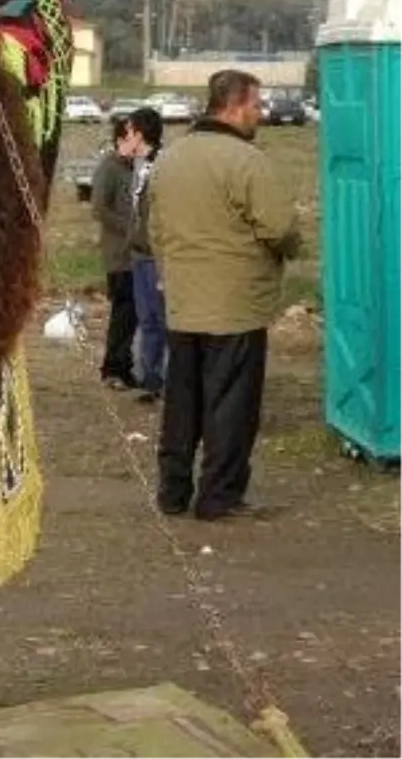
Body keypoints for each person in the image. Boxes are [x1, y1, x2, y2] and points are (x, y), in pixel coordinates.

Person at [149, 69, 300, 522]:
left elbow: (154, 229)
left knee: (182, 403)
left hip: (183, 301)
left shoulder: (171, 159)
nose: (261, 113)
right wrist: (291, 247)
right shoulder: (246, 161)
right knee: (231, 405)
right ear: (234, 106)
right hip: (235, 304)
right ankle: (219, 496)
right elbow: (278, 228)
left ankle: (173, 492)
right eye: (256, 105)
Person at [91, 117, 138, 389]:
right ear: (121, 138)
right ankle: (113, 369)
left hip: (137, 255)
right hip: (119, 256)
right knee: (123, 312)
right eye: (133, 136)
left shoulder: (136, 167)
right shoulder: (109, 167)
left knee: (133, 314)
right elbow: (99, 209)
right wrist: (130, 228)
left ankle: (124, 365)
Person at [127, 106, 167, 404]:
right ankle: (150, 378)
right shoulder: (137, 167)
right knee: (148, 320)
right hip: (139, 254)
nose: (124, 137)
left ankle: (168, 378)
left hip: (156, 256)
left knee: (162, 318)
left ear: (139, 135)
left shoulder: (161, 167)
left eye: (127, 132)